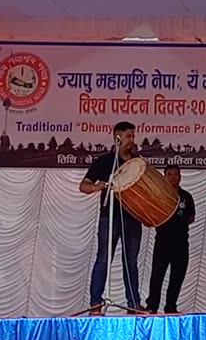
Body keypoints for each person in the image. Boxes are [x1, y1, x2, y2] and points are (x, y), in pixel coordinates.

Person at [78, 121, 143, 314]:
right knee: (103, 259)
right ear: (118, 138)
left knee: (130, 261)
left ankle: (133, 304)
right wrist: (97, 186)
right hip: (109, 216)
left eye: (133, 136)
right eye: (129, 136)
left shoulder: (137, 162)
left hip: (132, 217)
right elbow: (83, 186)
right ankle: (96, 304)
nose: (132, 140)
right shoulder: (104, 162)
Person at [144, 165, 195, 314]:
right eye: (169, 174)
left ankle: (171, 306)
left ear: (180, 176)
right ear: (164, 177)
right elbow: (151, 215)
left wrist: (179, 219)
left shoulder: (186, 196)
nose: (173, 177)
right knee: (157, 275)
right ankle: (152, 306)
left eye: (176, 174)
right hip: (163, 241)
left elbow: (191, 217)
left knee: (177, 276)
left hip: (181, 242)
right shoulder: (159, 195)